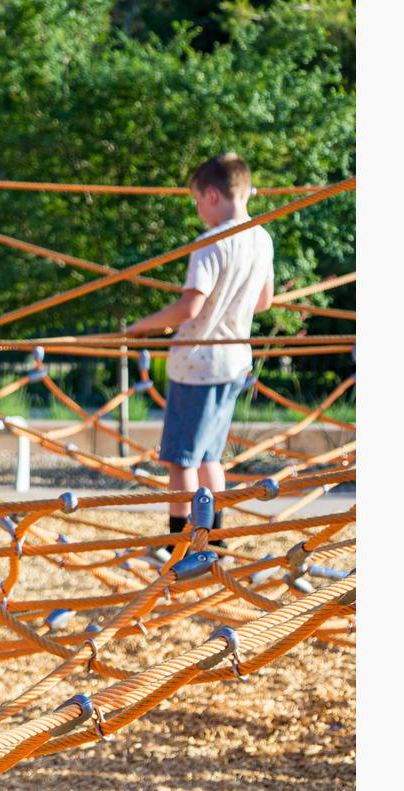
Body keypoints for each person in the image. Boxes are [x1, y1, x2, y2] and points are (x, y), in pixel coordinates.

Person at [124, 152, 276, 539]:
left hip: (198, 365)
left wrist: (143, 326)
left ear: (211, 195)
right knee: (211, 457)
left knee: (181, 461)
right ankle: (215, 537)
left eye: (195, 201)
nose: (197, 210)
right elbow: (264, 302)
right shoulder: (262, 238)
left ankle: (182, 540)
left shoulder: (211, 242)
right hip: (234, 361)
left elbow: (189, 306)